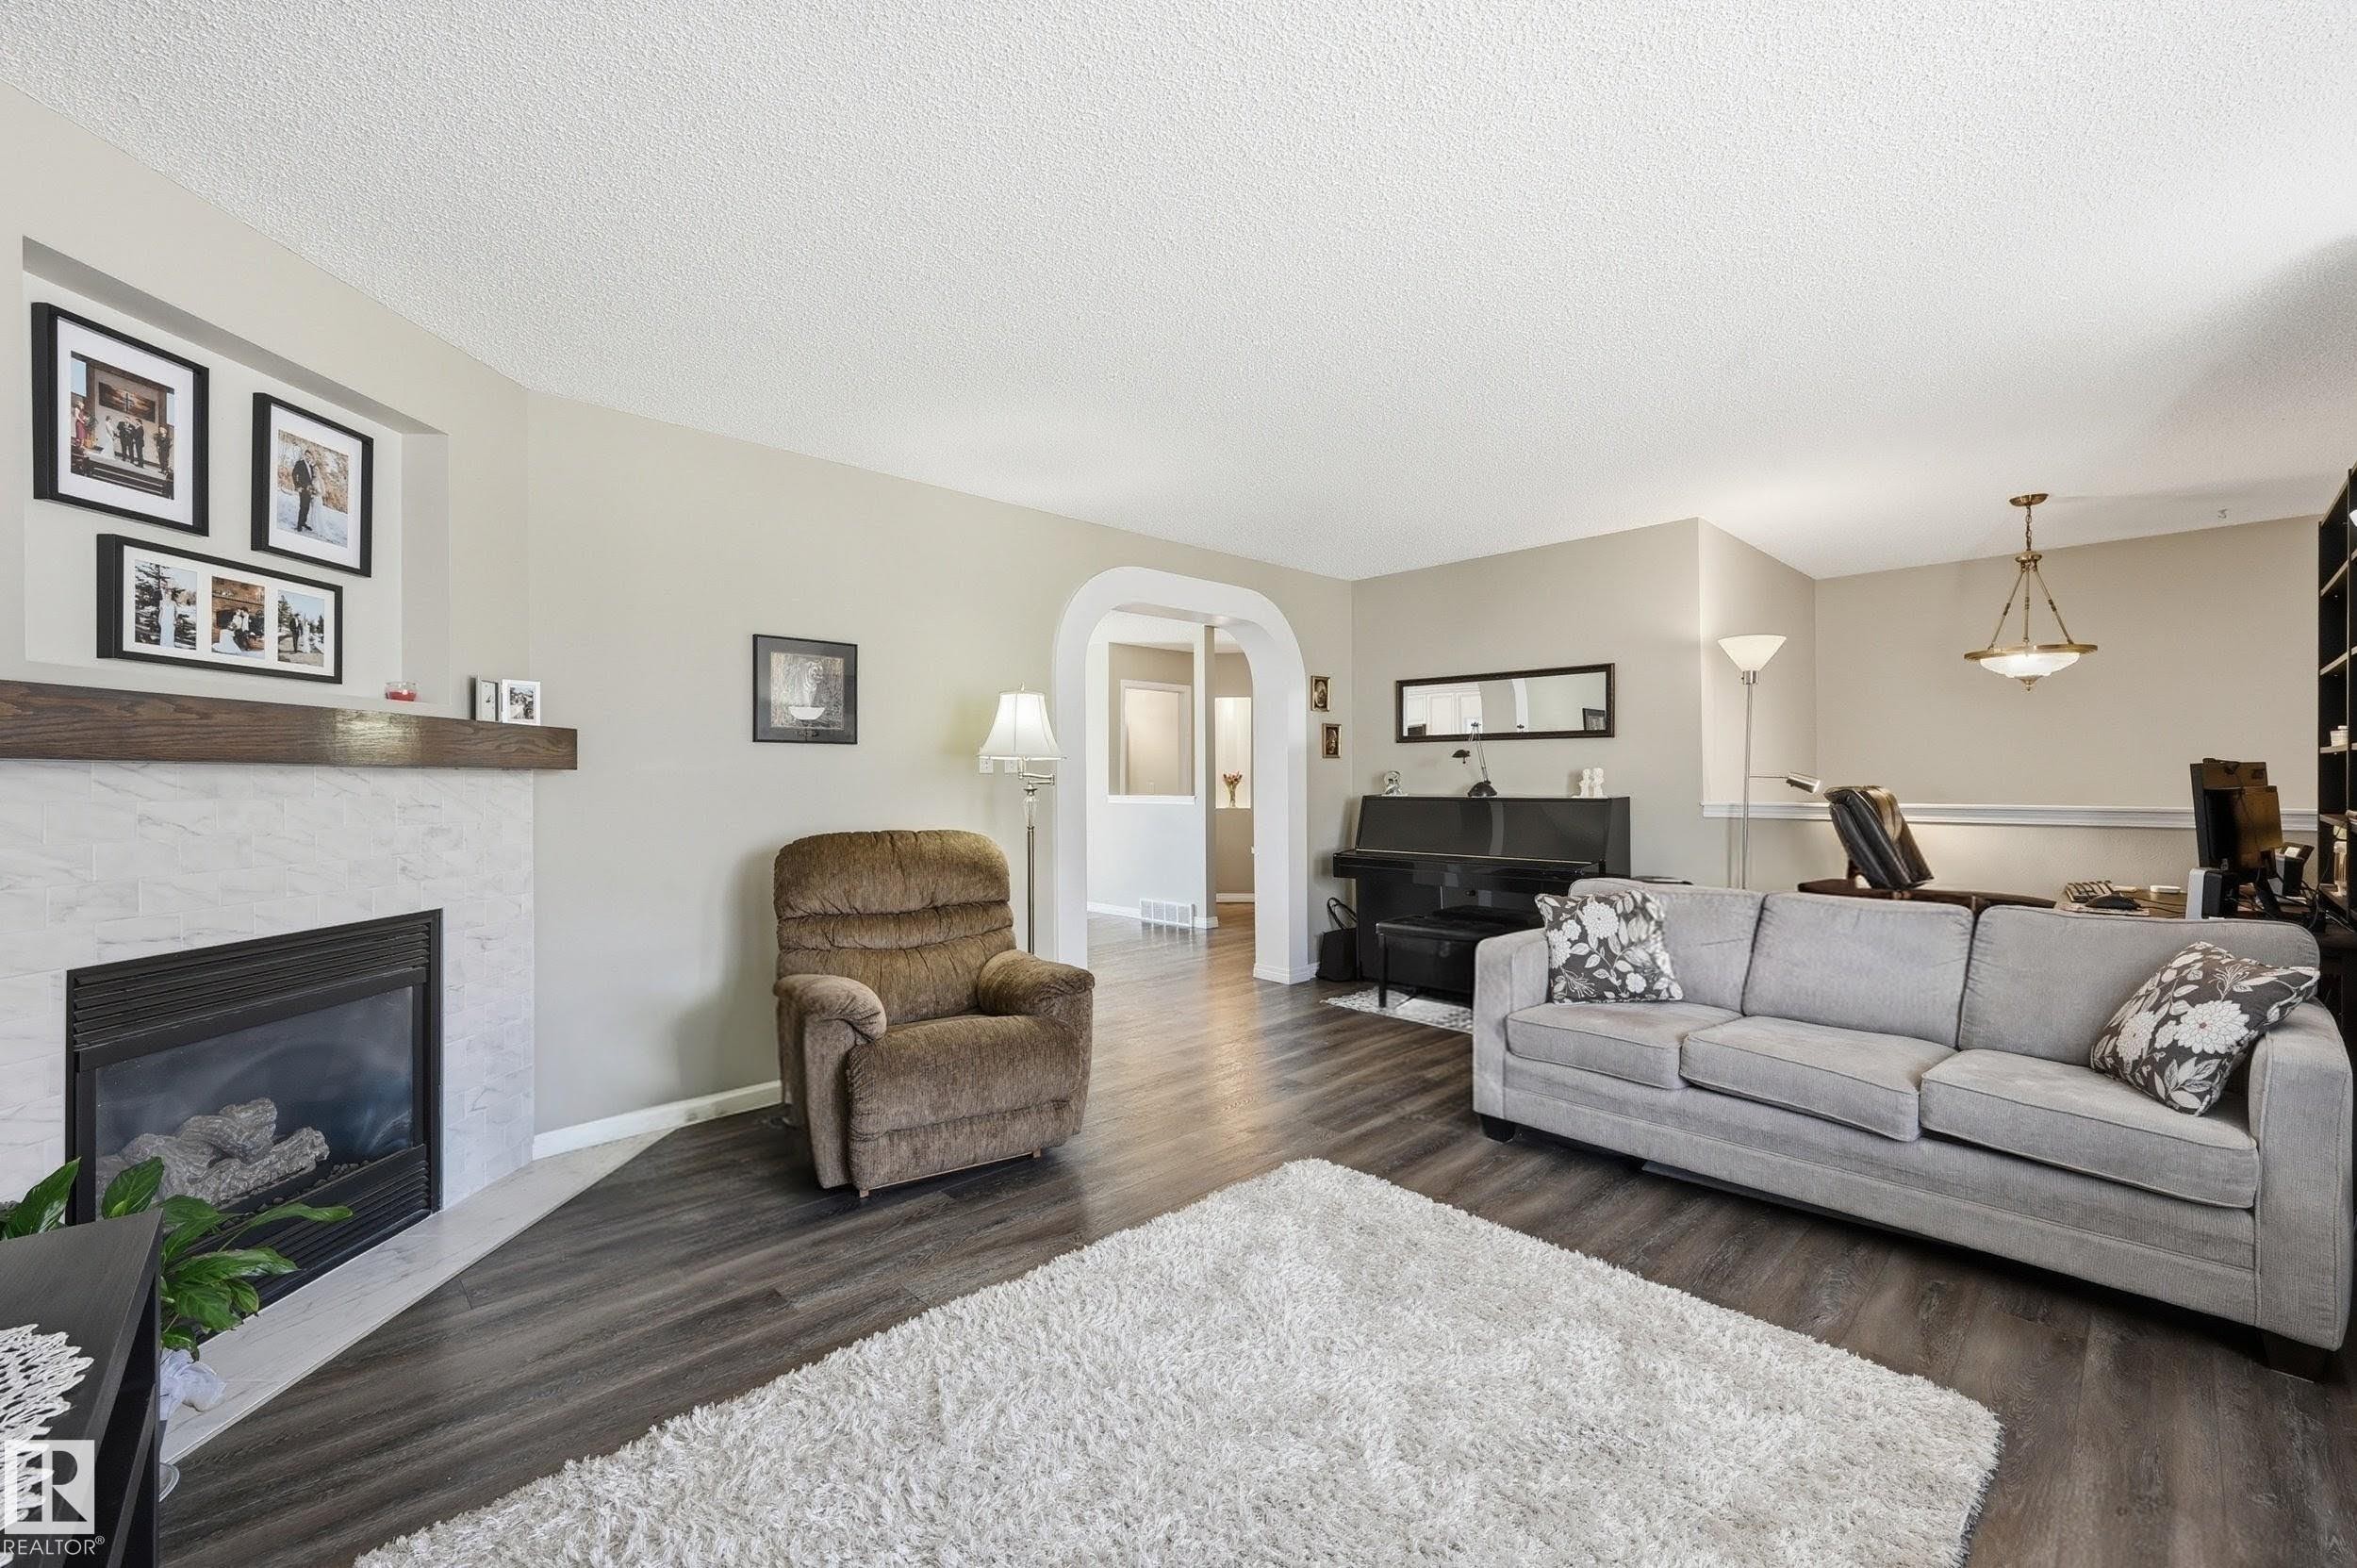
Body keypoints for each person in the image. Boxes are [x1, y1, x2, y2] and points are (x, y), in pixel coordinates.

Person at [288, 449, 319, 533]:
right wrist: (297, 486)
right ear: (304, 455)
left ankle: (303, 523)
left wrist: (313, 489)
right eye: (307, 456)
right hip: (302, 489)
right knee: (303, 507)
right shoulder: (300, 463)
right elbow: (294, 474)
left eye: (309, 456)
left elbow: (311, 479)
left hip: (309, 490)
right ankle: (299, 525)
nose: (308, 457)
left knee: (307, 507)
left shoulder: (311, 466)